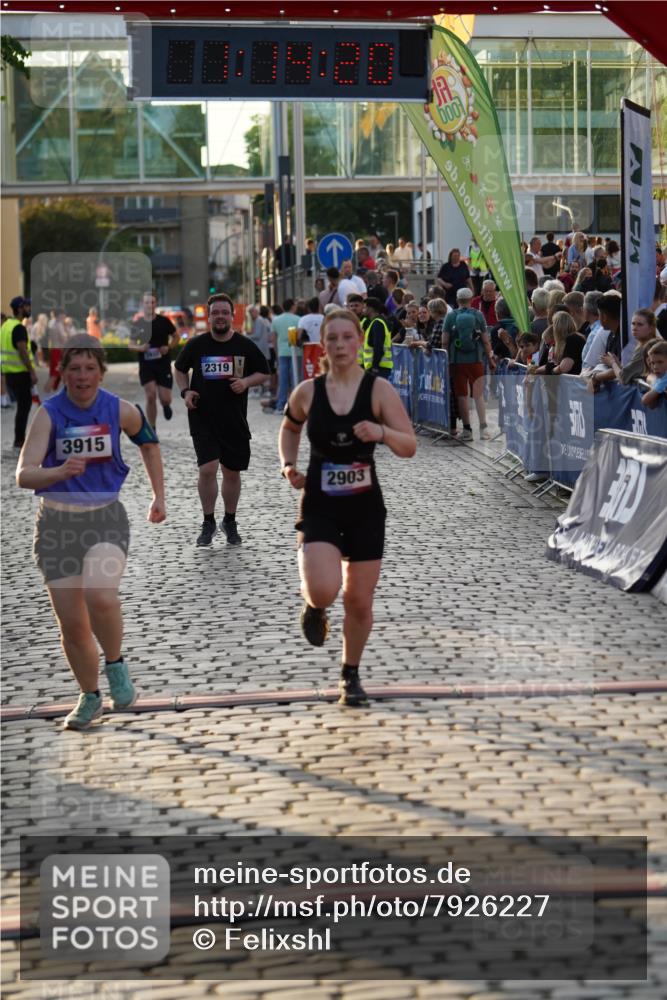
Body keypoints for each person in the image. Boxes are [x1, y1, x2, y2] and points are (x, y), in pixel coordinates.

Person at [16, 334, 166, 731]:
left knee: (99, 595)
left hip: (104, 519)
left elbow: (150, 445)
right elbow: (23, 474)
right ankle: (89, 696)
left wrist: (158, 496)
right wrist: (57, 473)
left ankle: (116, 666)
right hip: (56, 525)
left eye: (89, 369)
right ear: (62, 373)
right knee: (72, 623)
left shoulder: (119, 410)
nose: (82, 377)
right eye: (74, 369)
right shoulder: (48, 414)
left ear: (101, 373)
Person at [278, 308, 416, 707]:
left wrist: (382, 432)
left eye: (347, 337)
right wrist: (288, 465)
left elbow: (409, 445)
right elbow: (289, 428)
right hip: (319, 505)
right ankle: (314, 606)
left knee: (358, 600)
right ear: (323, 344)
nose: (340, 345)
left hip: (365, 509)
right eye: (332, 338)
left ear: (359, 341)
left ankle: (349, 674)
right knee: (323, 590)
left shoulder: (378, 390)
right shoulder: (308, 391)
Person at [173, 293, 270, 547]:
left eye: (224, 313)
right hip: (202, 417)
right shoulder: (197, 344)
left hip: (234, 419)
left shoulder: (244, 345)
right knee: (207, 469)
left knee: (231, 472)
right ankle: (208, 521)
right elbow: (180, 369)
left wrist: (246, 382)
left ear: (232, 316)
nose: (220, 317)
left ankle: (230, 520)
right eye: (215, 313)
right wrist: (185, 391)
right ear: (208, 316)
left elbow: (264, 372)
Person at [443, 287, 495, 440]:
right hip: (476, 360)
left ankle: (467, 430)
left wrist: (446, 359)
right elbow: (485, 340)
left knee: (462, 396)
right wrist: (490, 359)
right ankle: (483, 428)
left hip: (456, 362)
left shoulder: (451, 316)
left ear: (457, 300)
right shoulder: (478, 315)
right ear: (472, 300)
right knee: (478, 395)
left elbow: (445, 341)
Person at [128, 292, 178, 428]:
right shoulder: (138, 323)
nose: (149, 305)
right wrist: (140, 348)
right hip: (146, 365)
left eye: (152, 302)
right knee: (150, 396)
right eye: (147, 302)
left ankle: (166, 405)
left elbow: (176, 336)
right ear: (142, 304)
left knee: (165, 398)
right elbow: (131, 345)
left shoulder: (164, 321)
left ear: (156, 304)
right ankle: (152, 428)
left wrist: (168, 347)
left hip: (163, 364)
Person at [1, 295, 37, 452]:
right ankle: (19, 441)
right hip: (20, 373)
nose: (29, 309)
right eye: (27, 306)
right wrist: (32, 372)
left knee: (22, 406)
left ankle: (19, 439)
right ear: (21, 308)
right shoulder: (18, 328)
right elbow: (22, 351)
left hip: (9, 373)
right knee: (24, 406)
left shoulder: (6, 326)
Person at [362, 298, 393, 378]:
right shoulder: (375, 322)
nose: (363, 310)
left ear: (371, 309)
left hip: (379, 367)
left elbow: (378, 346)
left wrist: (375, 366)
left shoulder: (377, 323)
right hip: (379, 367)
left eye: (365, 307)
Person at [642, 341, 667, 408]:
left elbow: (645, 400)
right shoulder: (662, 378)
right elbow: (651, 405)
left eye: (660, 362)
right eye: (652, 363)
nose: (655, 367)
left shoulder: (665, 378)